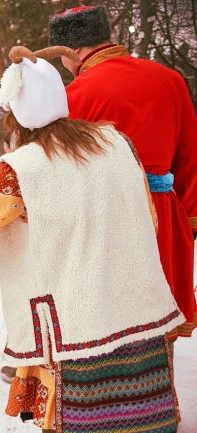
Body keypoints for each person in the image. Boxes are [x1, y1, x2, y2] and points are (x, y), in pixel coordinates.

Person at [0, 46, 184, 432]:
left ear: (18, 114)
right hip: (136, 307)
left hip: (79, 320)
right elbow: (145, 212)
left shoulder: (22, 168)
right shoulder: (117, 144)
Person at [49, 5, 197, 340]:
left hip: (103, 222)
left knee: (109, 329)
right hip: (163, 219)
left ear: (71, 50)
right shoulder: (170, 79)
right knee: (158, 324)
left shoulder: (71, 95)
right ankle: (159, 389)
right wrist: (188, 220)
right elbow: (191, 155)